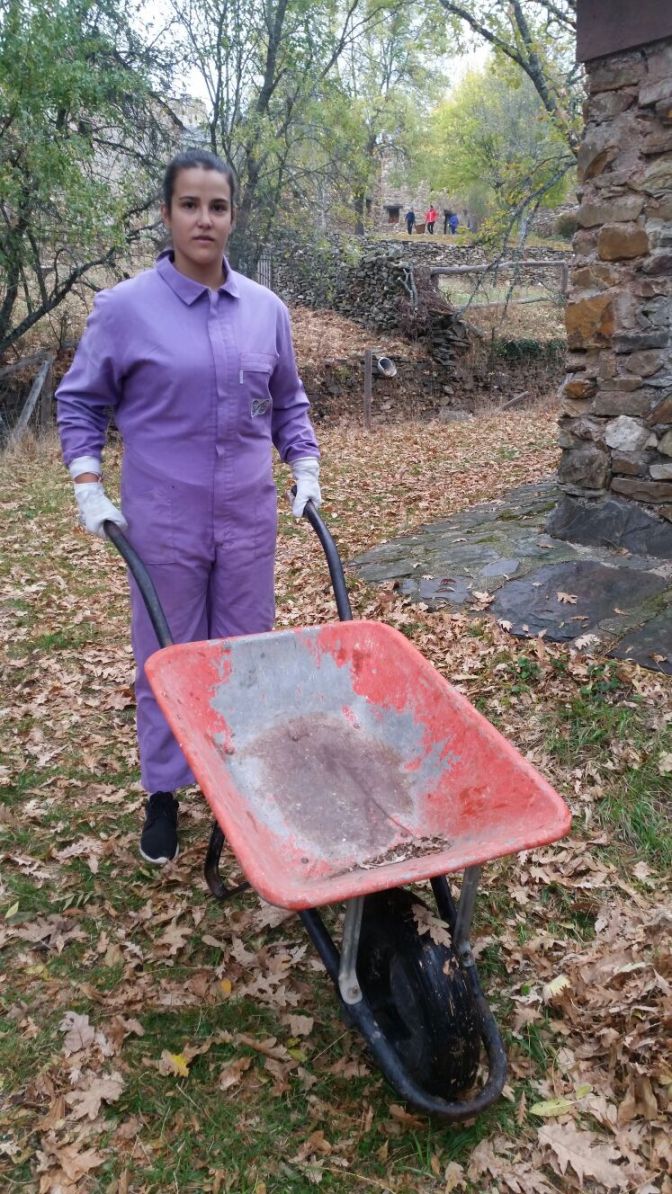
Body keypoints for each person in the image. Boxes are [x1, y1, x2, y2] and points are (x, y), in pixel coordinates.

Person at [56, 148, 321, 866]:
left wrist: (304, 464)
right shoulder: (124, 310)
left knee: (245, 655)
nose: (205, 219)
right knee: (168, 656)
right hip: (163, 520)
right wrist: (87, 482)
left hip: (247, 519)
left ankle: (242, 780)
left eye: (218, 206)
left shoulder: (265, 311)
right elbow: (80, 401)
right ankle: (165, 792)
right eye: (190, 205)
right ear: (167, 214)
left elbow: (287, 401)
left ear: (233, 216)